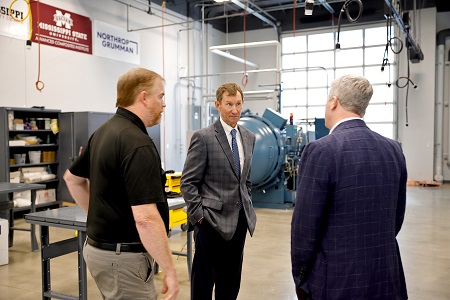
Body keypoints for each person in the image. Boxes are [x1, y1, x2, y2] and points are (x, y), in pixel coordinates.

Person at [63, 68, 179, 300]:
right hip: (123, 259)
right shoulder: (138, 143)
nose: (164, 104)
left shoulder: (103, 132)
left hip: (97, 250)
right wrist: (170, 270)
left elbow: (72, 179)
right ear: (143, 97)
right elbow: (146, 218)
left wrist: (102, 218)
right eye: (161, 96)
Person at [291, 74, 408, 300]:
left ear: (334, 102)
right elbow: (396, 219)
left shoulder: (321, 150)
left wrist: (302, 278)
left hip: (336, 281)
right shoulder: (394, 150)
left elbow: (305, 229)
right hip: (386, 277)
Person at [180, 82, 256, 300]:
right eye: (229, 104)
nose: (234, 109)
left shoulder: (249, 137)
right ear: (218, 105)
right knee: (204, 281)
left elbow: (245, 180)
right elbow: (188, 182)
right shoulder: (203, 137)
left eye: (238, 104)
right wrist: (199, 217)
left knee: (231, 281)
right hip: (210, 222)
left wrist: (246, 206)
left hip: (240, 221)